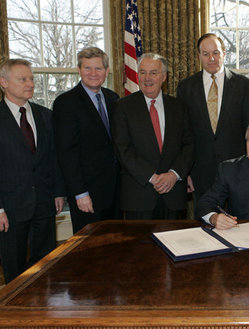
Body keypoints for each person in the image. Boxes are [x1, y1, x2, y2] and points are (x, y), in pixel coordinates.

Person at [0, 59, 65, 283]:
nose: (29, 84)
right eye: (22, 79)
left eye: (31, 79)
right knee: (14, 268)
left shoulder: (45, 115)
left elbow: (53, 158)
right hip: (10, 209)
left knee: (44, 266)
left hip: (45, 204)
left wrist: (58, 192)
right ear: (4, 82)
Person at [112, 53, 194, 220]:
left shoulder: (179, 107)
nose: (147, 78)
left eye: (153, 73)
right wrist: (152, 177)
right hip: (139, 196)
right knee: (140, 246)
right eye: (142, 72)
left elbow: (189, 145)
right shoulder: (123, 107)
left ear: (163, 76)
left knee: (176, 244)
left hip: (174, 194)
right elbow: (123, 149)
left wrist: (174, 174)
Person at [177, 33, 249, 200]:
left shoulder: (242, 85)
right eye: (206, 54)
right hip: (200, 173)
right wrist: (186, 172)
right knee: (204, 222)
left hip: (237, 171)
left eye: (216, 53)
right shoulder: (186, 88)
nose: (211, 58)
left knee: (237, 224)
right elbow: (182, 134)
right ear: (199, 56)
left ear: (224, 53)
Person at [53, 47, 120, 234]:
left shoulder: (113, 98)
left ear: (106, 71)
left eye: (98, 68)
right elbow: (66, 153)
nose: (93, 73)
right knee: (88, 249)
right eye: (87, 68)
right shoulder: (65, 103)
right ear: (79, 70)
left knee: (114, 245)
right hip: (86, 194)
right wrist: (80, 193)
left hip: (115, 191)